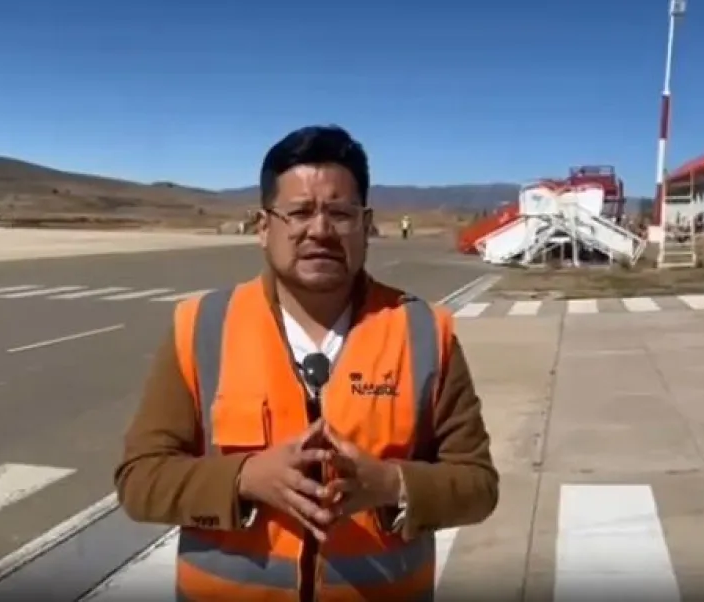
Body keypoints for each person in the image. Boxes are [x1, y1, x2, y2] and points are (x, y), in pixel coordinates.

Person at [115, 125, 499, 602]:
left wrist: (390, 484)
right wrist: (246, 478)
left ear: (366, 224)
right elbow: (140, 480)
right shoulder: (201, 327)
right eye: (298, 212)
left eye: (340, 213)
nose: (319, 230)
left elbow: (478, 484)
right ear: (263, 227)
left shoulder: (424, 333)